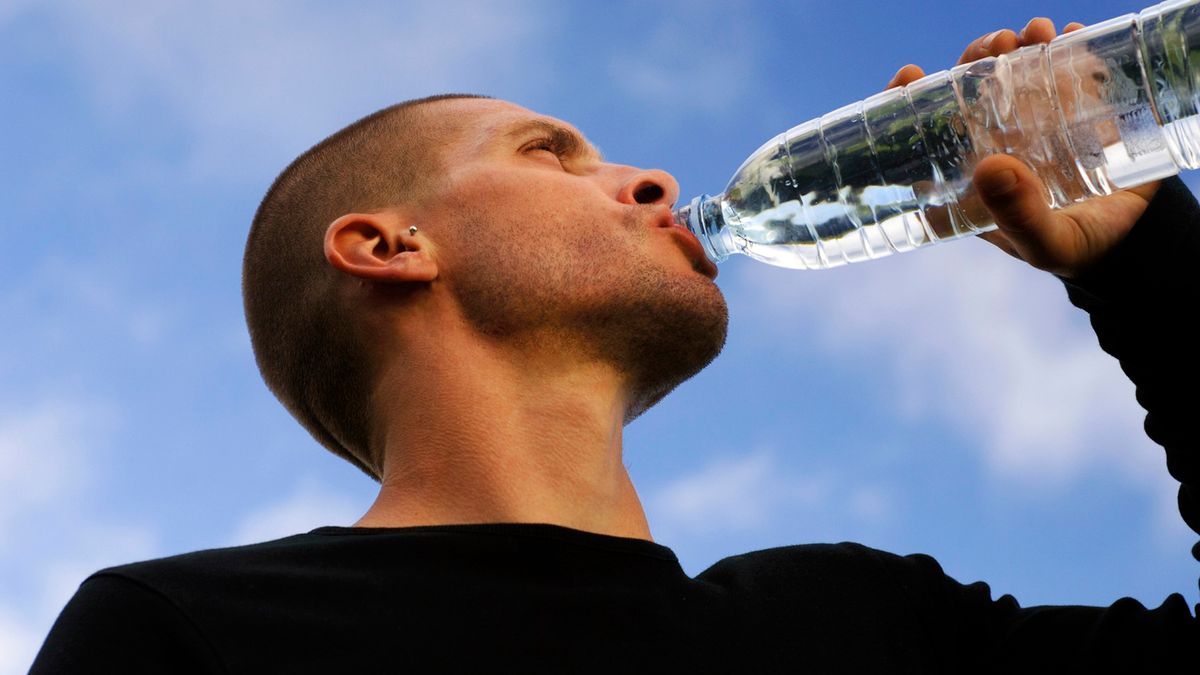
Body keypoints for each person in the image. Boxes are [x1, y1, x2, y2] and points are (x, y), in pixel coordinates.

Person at [31, 18, 1198, 673]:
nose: (652, 180)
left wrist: (1147, 267)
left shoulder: (858, 626)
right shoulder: (192, 640)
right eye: (551, 153)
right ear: (387, 246)